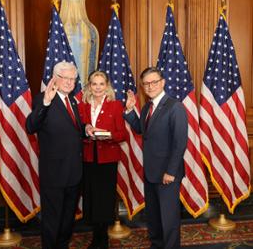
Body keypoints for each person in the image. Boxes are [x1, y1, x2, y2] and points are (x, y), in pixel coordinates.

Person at [124, 67, 188, 249]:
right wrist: (129, 111)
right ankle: (157, 245)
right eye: (146, 83)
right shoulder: (146, 108)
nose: (150, 86)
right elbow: (141, 130)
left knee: (169, 219)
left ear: (163, 82)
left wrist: (170, 171)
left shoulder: (175, 107)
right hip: (151, 172)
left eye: (154, 82)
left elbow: (179, 142)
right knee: (154, 216)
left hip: (167, 174)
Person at [26, 61, 87, 249]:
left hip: (74, 171)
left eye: (73, 79)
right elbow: (31, 126)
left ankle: (62, 245)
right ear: (55, 78)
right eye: (65, 78)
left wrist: (87, 129)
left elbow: (73, 130)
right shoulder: (43, 99)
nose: (70, 82)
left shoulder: (73, 101)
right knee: (52, 219)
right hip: (54, 173)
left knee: (68, 218)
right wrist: (45, 102)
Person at [78, 71, 127, 249]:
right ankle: (95, 235)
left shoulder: (115, 105)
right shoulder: (82, 106)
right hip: (88, 159)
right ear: (89, 86)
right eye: (94, 84)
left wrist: (109, 136)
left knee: (105, 199)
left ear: (107, 85)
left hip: (108, 160)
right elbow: (77, 131)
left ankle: (103, 238)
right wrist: (87, 132)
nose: (97, 87)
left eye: (101, 84)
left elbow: (123, 134)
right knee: (91, 197)